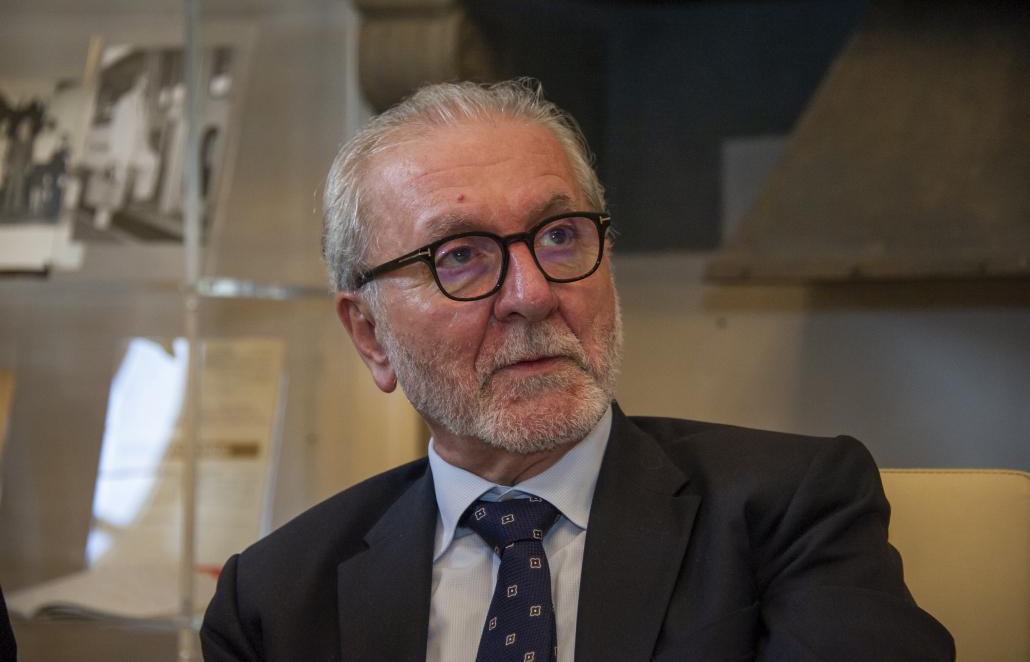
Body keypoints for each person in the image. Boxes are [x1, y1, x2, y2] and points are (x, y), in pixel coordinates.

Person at [201, 79, 954, 661]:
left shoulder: (789, 510)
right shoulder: (273, 601)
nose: (532, 295)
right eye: (459, 256)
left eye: (560, 236)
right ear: (370, 334)